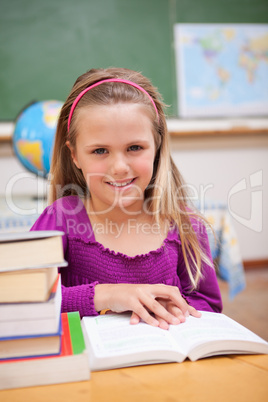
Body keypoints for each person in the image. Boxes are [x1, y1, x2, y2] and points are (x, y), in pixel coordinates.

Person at [31, 67, 222, 330]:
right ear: (74, 155)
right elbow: (24, 303)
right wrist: (107, 295)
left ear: (157, 146)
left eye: (134, 148)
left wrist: (178, 309)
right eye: (100, 150)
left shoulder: (185, 223)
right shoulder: (60, 219)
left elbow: (208, 304)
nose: (119, 167)